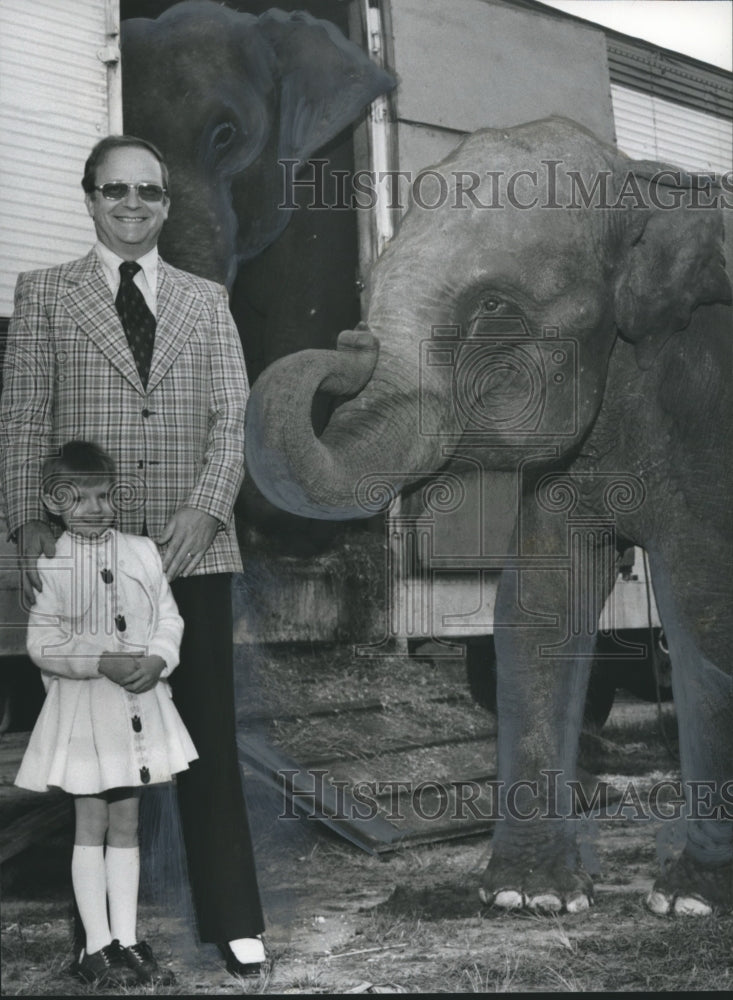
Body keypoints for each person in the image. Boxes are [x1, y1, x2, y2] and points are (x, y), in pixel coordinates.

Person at [0, 135, 266, 976]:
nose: (131, 205)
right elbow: (21, 418)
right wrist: (25, 527)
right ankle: (99, 937)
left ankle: (233, 921)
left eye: (147, 192)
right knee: (93, 754)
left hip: (191, 550)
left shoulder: (206, 299)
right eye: (114, 191)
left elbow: (236, 417)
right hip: (83, 548)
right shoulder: (44, 295)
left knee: (209, 743)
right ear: (88, 198)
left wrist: (207, 506)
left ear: (166, 204)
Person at [16, 440, 195, 986]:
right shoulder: (52, 559)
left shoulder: (142, 551)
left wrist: (160, 657)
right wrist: (99, 660)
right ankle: (94, 948)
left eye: (103, 495)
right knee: (90, 824)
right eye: (79, 499)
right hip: (87, 713)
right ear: (53, 502)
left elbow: (169, 616)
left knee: (128, 824)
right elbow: (42, 643)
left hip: (139, 706)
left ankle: (128, 939)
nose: (94, 509)